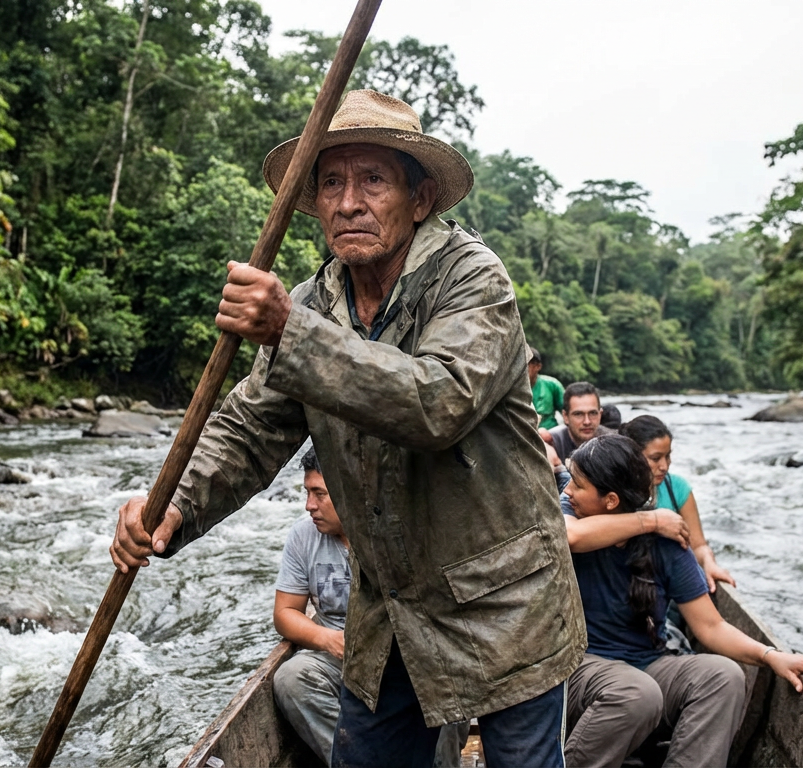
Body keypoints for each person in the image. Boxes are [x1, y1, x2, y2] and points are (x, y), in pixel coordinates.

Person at [110, 90, 583, 768]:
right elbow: (249, 426)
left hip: (505, 600)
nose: (347, 201)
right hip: (392, 607)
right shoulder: (312, 302)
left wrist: (290, 334)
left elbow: (438, 402)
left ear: (419, 199)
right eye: (331, 181)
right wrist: (171, 505)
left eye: (372, 180)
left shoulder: (472, 279)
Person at [559, 435, 803, 768]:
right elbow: (571, 537)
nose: (567, 490)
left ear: (611, 500)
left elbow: (710, 626)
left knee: (724, 676)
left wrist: (770, 655)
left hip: (647, 664)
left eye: (577, 484)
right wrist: (652, 519)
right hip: (581, 665)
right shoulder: (569, 512)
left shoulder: (666, 544)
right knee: (637, 693)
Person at [272, 449, 466, 767]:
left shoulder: (399, 530)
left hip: (407, 652)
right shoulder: (303, 535)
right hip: (338, 655)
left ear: (349, 491)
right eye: (307, 492)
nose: (310, 505)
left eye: (319, 494)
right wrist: (328, 640)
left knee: (446, 685)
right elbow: (285, 613)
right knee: (290, 678)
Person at [620, 415, 736, 591]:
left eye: (668, 456)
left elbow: (698, 545)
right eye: (656, 458)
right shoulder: (616, 492)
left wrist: (708, 562)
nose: (665, 466)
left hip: (667, 584)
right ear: (633, 456)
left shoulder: (677, 488)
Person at [545, 381, 614, 464]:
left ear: (600, 414)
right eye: (578, 414)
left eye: (592, 413)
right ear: (565, 416)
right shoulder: (551, 443)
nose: (587, 421)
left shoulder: (613, 443)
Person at [528, 347, 564, 429]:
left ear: (538, 366)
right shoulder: (510, 388)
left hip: (549, 433)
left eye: (527, 365)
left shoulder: (552, 385)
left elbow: (567, 412)